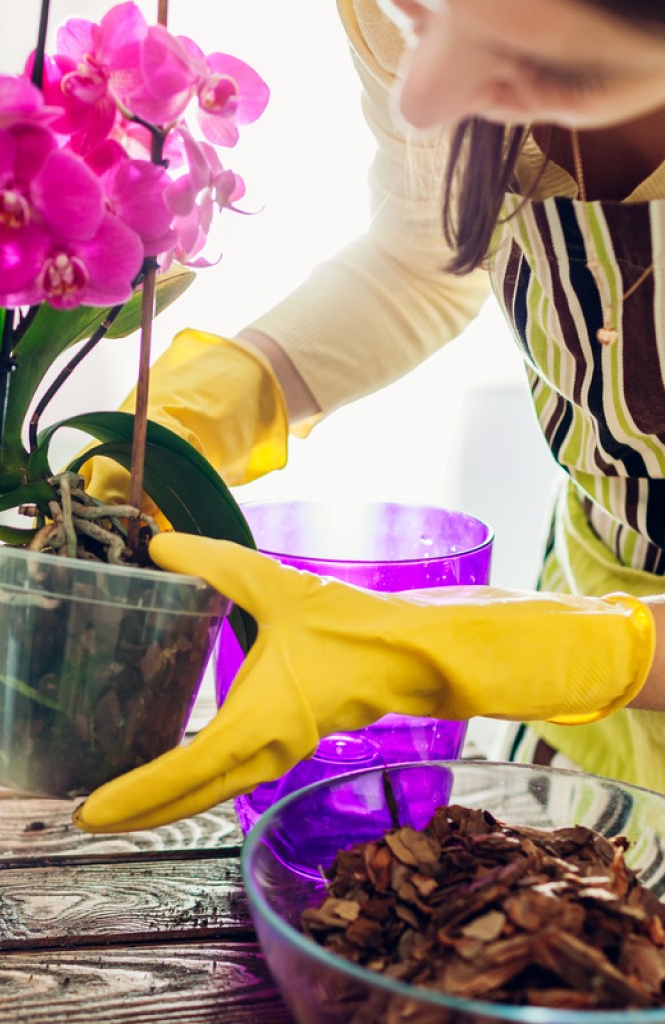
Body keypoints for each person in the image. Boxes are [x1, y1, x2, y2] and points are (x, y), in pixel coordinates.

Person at [73, 0, 665, 833]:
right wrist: (209, 409)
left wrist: (552, 650)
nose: (420, 95)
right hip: (594, 638)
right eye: (416, 17)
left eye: (507, 44)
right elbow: (426, 248)